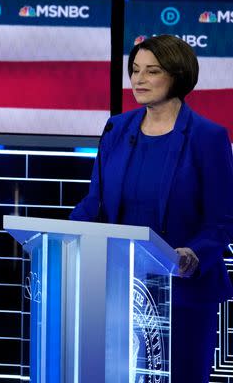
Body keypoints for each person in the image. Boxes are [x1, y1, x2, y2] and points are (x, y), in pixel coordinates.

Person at [71, 35, 233, 381]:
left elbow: (222, 220)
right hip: (117, 287)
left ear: (177, 75)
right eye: (135, 70)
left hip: (182, 293)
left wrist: (194, 253)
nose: (138, 80)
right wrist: (66, 237)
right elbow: (95, 202)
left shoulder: (208, 137)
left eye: (152, 71)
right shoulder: (117, 128)